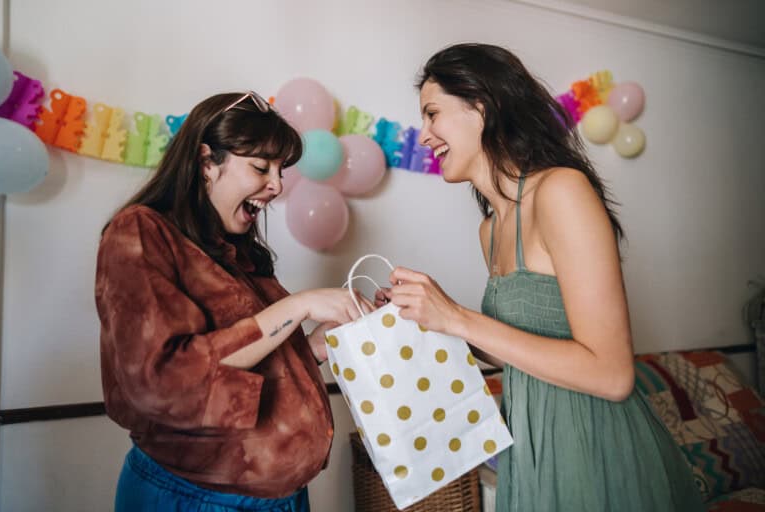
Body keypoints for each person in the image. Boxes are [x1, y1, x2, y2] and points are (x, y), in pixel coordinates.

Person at [375, 43, 704, 511]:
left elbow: (613, 375)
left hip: (594, 444)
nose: (424, 135)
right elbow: (520, 351)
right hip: (530, 446)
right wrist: (431, 321)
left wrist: (461, 319)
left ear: (482, 108)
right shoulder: (490, 229)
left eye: (432, 114)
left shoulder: (561, 191)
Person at [95, 91, 373, 512]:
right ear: (207, 161)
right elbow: (163, 379)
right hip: (197, 499)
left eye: (281, 170)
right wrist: (298, 305)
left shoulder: (234, 249)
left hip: (277, 499)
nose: (277, 186)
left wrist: (319, 342)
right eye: (261, 167)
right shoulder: (139, 232)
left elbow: (248, 359)